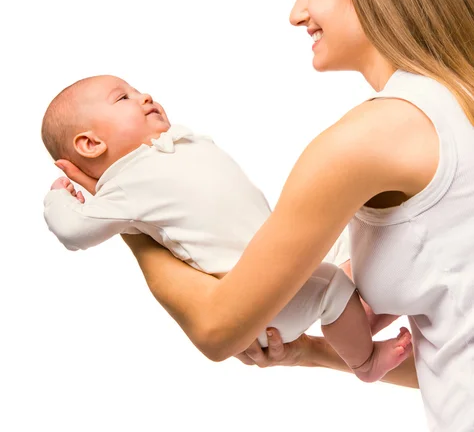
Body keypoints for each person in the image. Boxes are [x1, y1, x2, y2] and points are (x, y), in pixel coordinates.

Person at [56, 0, 474, 431]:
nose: (296, 14)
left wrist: (122, 203)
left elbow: (218, 328)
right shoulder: (457, 103)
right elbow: (455, 353)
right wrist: (311, 352)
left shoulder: (366, 140)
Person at [42, 74, 411, 382]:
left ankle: (362, 311)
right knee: (334, 286)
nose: (144, 96)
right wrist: (61, 198)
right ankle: (365, 362)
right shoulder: (123, 187)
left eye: (137, 90)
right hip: (256, 299)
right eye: (123, 97)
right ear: (90, 144)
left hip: (279, 266)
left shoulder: (167, 149)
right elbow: (76, 231)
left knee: (351, 234)